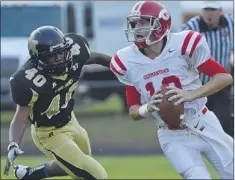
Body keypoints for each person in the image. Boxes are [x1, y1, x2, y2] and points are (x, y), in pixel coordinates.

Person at [110, 1, 233, 179]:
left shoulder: (183, 44)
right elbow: (133, 111)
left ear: (161, 24)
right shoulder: (126, 61)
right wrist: (148, 108)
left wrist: (192, 94)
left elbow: (224, 76)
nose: (138, 28)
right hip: (172, 136)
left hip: (204, 122)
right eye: (135, 23)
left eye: (144, 22)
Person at [4, 26, 112, 179]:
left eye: (61, 51)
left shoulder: (74, 54)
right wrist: (13, 144)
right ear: (39, 58)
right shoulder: (28, 80)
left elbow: (98, 58)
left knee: (75, 164)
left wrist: (123, 68)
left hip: (71, 121)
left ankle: (31, 175)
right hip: (48, 133)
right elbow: (20, 118)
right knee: (96, 174)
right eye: (52, 55)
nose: (59, 57)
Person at [181, 1, 234, 137]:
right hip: (197, 86)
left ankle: (229, 155)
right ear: (201, 11)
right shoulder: (190, 27)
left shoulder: (230, 24)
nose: (209, 13)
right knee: (196, 126)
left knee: (224, 123)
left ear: (220, 11)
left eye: (213, 10)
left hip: (221, 85)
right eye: (206, 9)